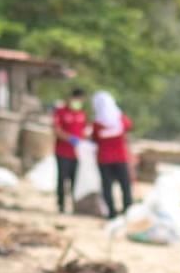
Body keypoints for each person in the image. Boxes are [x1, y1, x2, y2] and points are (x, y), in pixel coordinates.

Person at [90, 90, 134, 218]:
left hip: (104, 159)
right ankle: (128, 209)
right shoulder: (120, 119)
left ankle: (112, 212)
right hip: (120, 157)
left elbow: (95, 138)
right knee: (125, 185)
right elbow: (129, 127)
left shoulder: (98, 124)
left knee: (107, 186)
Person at [52, 87, 87, 213]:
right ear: (71, 98)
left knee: (75, 181)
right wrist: (69, 138)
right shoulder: (61, 112)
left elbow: (84, 132)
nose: (79, 102)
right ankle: (61, 205)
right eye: (77, 99)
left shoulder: (82, 114)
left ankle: (74, 206)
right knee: (62, 179)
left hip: (77, 154)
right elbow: (56, 130)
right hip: (62, 152)